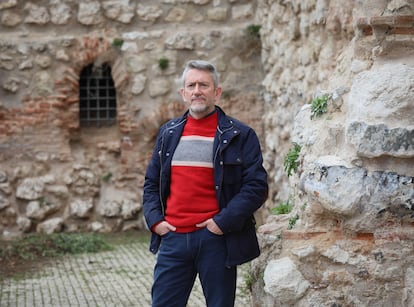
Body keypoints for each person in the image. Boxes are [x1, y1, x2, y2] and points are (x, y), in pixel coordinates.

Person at [143, 60, 268, 307]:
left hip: (216, 240)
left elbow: (256, 186)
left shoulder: (240, 135)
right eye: (191, 85)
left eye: (203, 84)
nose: (197, 90)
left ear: (217, 91)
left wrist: (222, 223)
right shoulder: (168, 133)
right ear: (184, 93)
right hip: (173, 239)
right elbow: (151, 183)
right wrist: (156, 222)